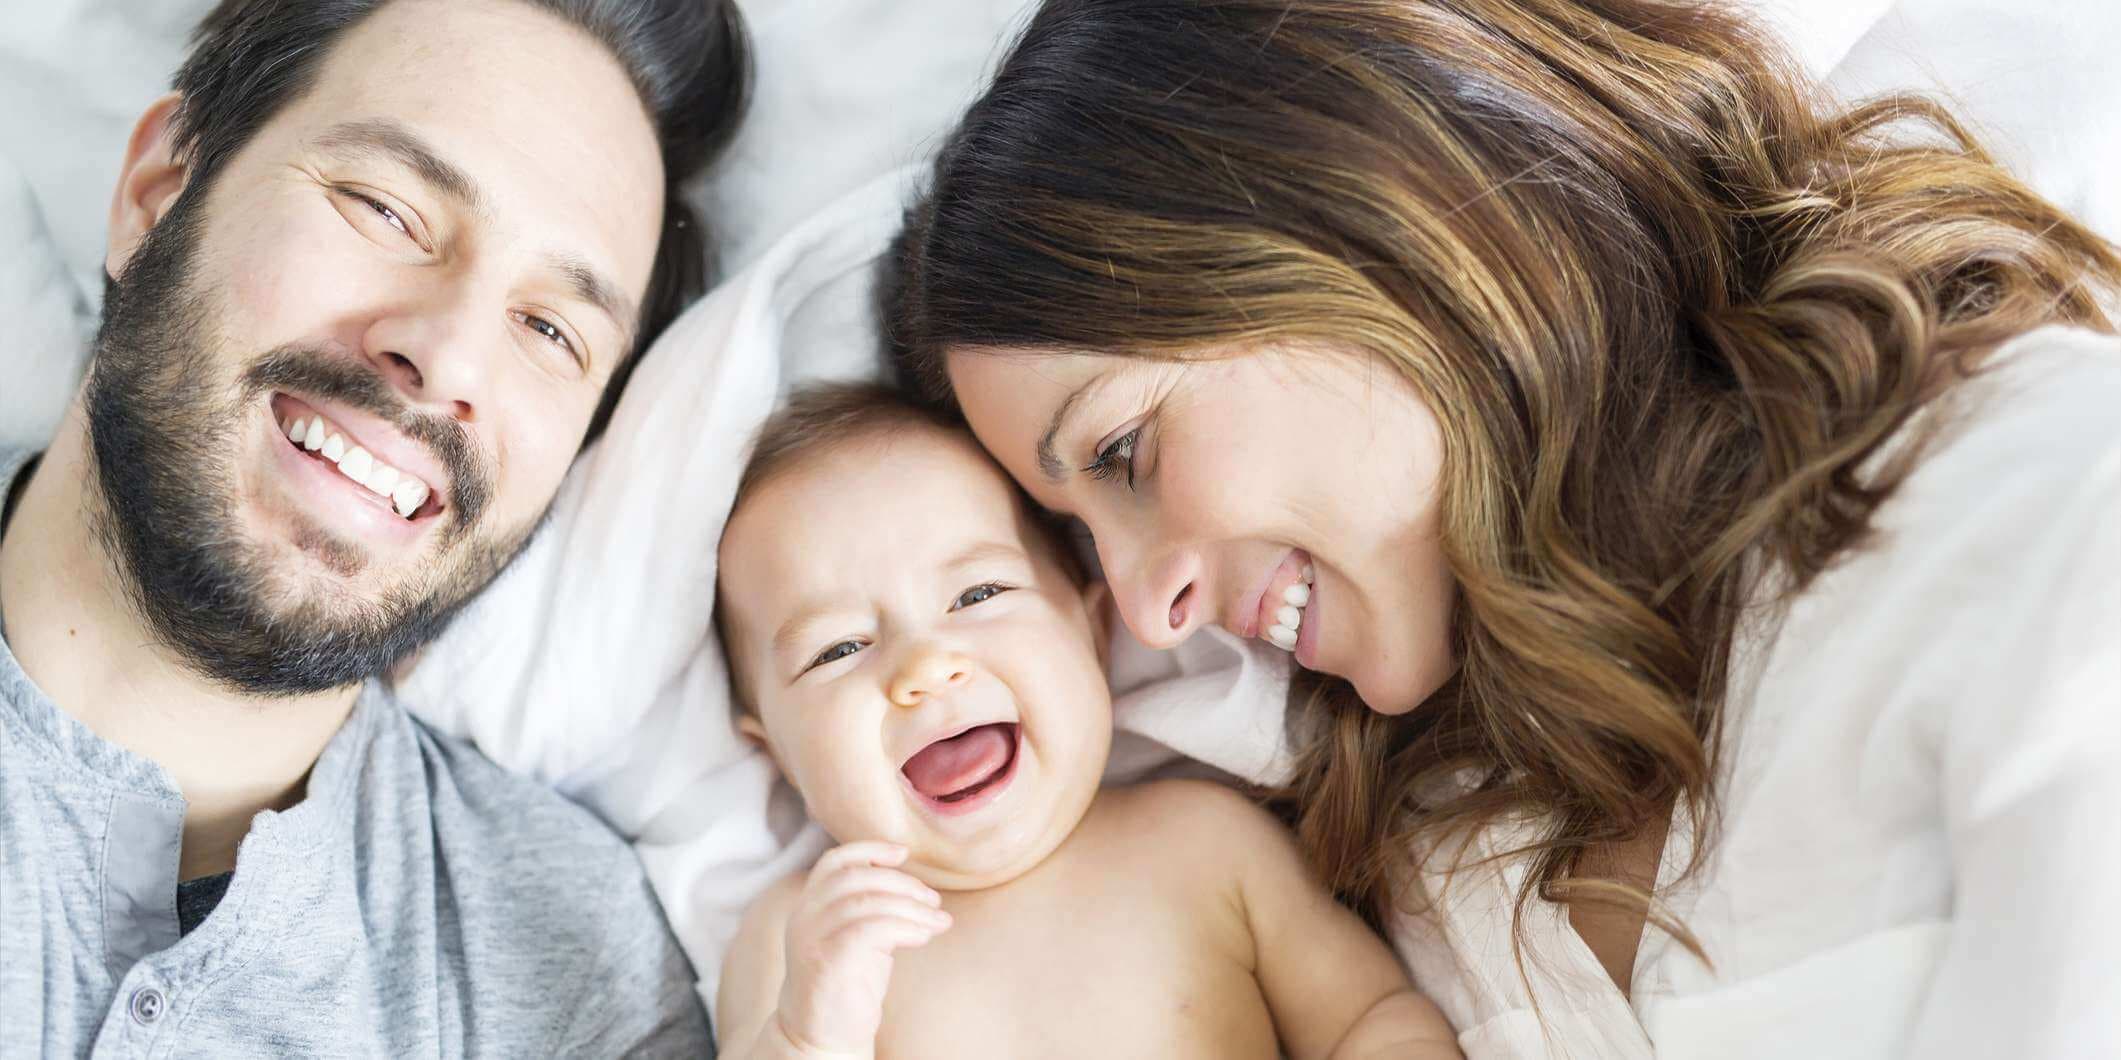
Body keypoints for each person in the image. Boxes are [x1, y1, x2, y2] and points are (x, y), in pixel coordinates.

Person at [884, 0, 2121, 1054]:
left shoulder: (2036, 509)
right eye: (1079, 536)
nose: (1149, 612)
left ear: (1360, 211)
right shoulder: (1446, 855)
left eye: (1123, 454)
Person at [0, 0, 745, 1052]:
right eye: (387, 210)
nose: (447, 356)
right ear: (161, 190)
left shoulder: (584, 991)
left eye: (548, 330)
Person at [711, 384, 1461, 1059]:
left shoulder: (1204, 841)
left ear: (1092, 634)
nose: (924, 668)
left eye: (977, 595)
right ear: (774, 752)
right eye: (838, 649)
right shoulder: (799, 938)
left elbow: (1370, 1017)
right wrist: (807, 1036)